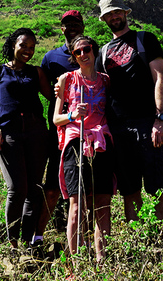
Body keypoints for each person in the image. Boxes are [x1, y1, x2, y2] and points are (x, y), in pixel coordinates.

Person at [95, 0, 163, 238]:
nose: (114, 17)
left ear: (126, 13)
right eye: (109, 14)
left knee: (159, 187)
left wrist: (159, 119)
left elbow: (159, 78)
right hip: (118, 130)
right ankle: (140, 242)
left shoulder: (145, 40)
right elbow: (98, 88)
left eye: (117, 12)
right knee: (129, 191)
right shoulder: (103, 52)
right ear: (104, 19)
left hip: (148, 124)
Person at [0, 27, 53, 248]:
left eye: (32, 47)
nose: (28, 51)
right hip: (10, 135)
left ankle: (27, 240)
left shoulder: (36, 72)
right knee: (17, 188)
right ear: (13, 44)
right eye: (23, 45)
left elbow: (52, 96)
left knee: (34, 189)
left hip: (36, 134)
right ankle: (12, 243)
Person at [53, 35, 114, 262]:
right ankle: (75, 264)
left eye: (86, 49)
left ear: (94, 51)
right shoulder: (67, 79)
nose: (82, 54)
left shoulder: (107, 81)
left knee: (103, 203)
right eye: (77, 52)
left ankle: (102, 261)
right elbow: (56, 119)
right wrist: (72, 114)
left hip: (101, 142)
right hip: (76, 142)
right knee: (76, 205)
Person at [34, 10, 85, 247]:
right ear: (61, 28)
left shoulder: (90, 50)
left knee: (88, 188)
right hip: (60, 132)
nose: (72, 27)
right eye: (67, 24)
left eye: (76, 23)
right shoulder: (51, 58)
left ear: (82, 26)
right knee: (52, 187)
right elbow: (45, 91)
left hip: (90, 131)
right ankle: (38, 235)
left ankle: (85, 238)